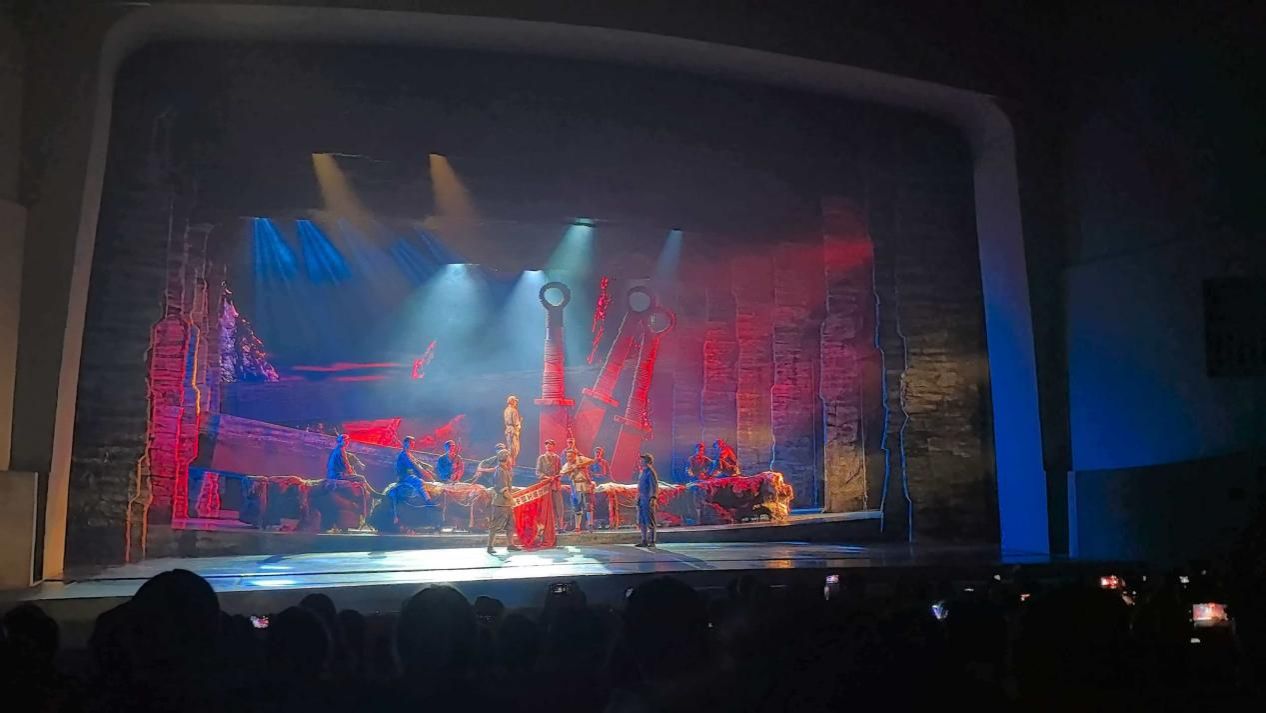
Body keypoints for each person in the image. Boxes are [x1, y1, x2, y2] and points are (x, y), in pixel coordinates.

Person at [486, 450, 520, 554]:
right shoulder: (500, 471)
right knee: (495, 525)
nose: (510, 459)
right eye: (509, 457)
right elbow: (503, 489)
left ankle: (510, 544)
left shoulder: (505, 470)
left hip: (506, 503)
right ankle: (490, 546)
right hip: (500, 503)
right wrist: (512, 500)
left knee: (510, 524)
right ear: (506, 458)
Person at [562, 449, 597, 532]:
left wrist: (580, 465)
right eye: (567, 456)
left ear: (575, 455)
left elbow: (592, 461)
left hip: (585, 484)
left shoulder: (581, 459)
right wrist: (572, 469)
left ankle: (590, 525)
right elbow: (562, 472)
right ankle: (577, 527)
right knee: (577, 506)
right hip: (575, 485)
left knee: (588, 505)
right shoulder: (567, 464)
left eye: (570, 456)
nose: (569, 458)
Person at [535, 439, 565, 532]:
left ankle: (560, 526)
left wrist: (559, 475)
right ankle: (546, 527)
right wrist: (547, 477)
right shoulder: (541, 458)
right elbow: (538, 472)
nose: (548, 446)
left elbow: (560, 470)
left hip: (555, 484)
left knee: (558, 505)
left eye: (550, 444)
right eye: (547, 444)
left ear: (553, 446)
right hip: (545, 485)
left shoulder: (557, 458)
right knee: (546, 506)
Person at [636, 453, 659, 548]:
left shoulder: (650, 472)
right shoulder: (642, 472)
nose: (640, 461)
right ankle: (644, 540)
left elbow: (654, 486)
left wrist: (653, 497)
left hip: (647, 499)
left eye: (642, 460)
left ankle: (652, 541)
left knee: (649, 520)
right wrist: (638, 498)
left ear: (647, 461)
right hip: (642, 498)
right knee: (642, 520)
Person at [503, 395, 522, 465]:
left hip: (508, 430)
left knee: (510, 447)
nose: (516, 403)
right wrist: (519, 422)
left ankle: (510, 462)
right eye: (515, 401)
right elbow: (516, 423)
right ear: (512, 402)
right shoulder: (514, 410)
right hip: (513, 430)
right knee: (515, 447)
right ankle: (512, 462)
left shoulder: (506, 410)